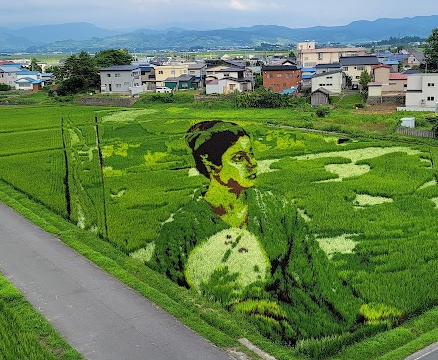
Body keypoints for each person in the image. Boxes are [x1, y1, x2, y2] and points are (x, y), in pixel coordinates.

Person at [150, 120, 359, 345]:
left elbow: (316, 270)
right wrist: (231, 311)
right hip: (230, 337)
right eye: (239, 158)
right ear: (211, 166)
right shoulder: (181, 230)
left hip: (292, 318)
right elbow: (168, 300)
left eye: (251, 154)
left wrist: (355, 312)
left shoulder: (275, 207)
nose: (253, 163)